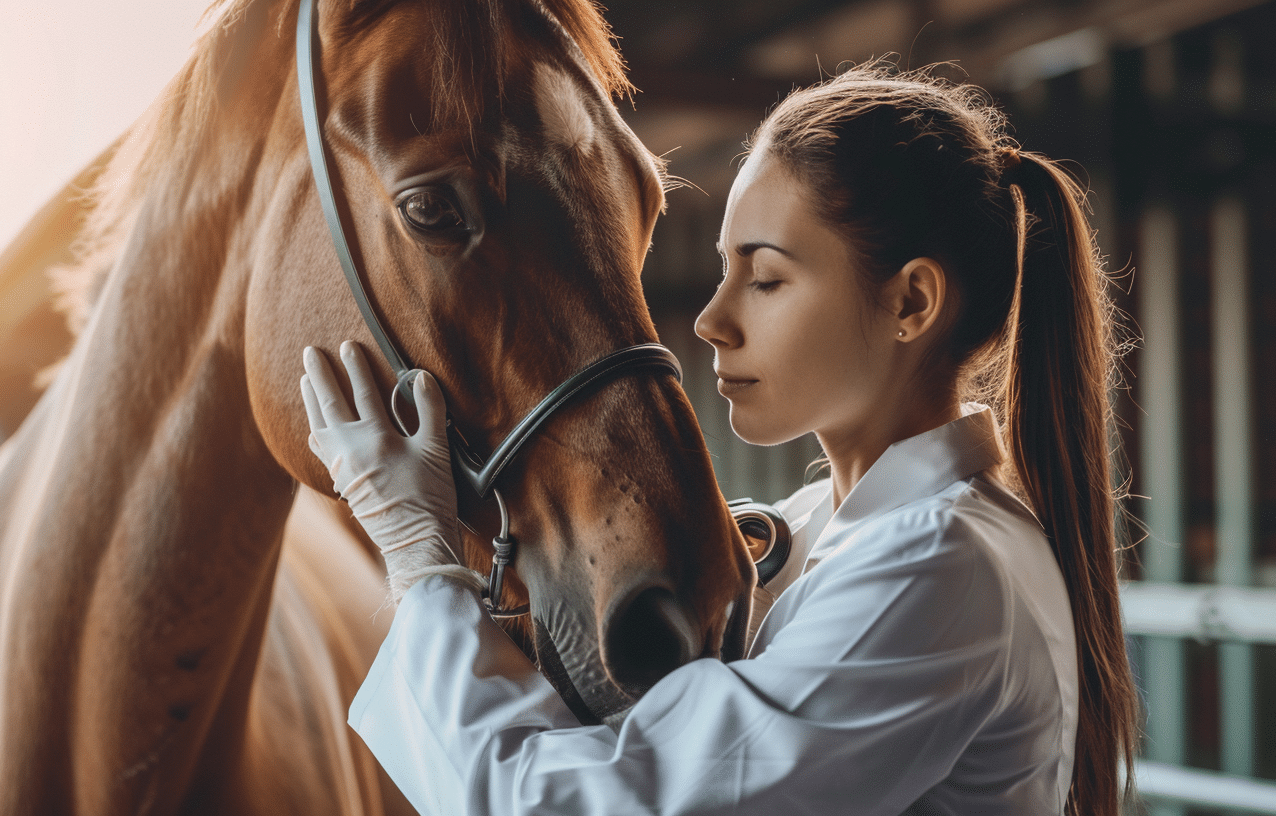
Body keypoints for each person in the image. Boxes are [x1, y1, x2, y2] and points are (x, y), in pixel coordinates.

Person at [300, 63, 1137, 815]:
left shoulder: (940, 566)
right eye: (724, 270)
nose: (710, 321)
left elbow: (610, 804)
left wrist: (418, 558)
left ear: (912, 303)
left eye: (766, 278)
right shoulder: (820, 525)